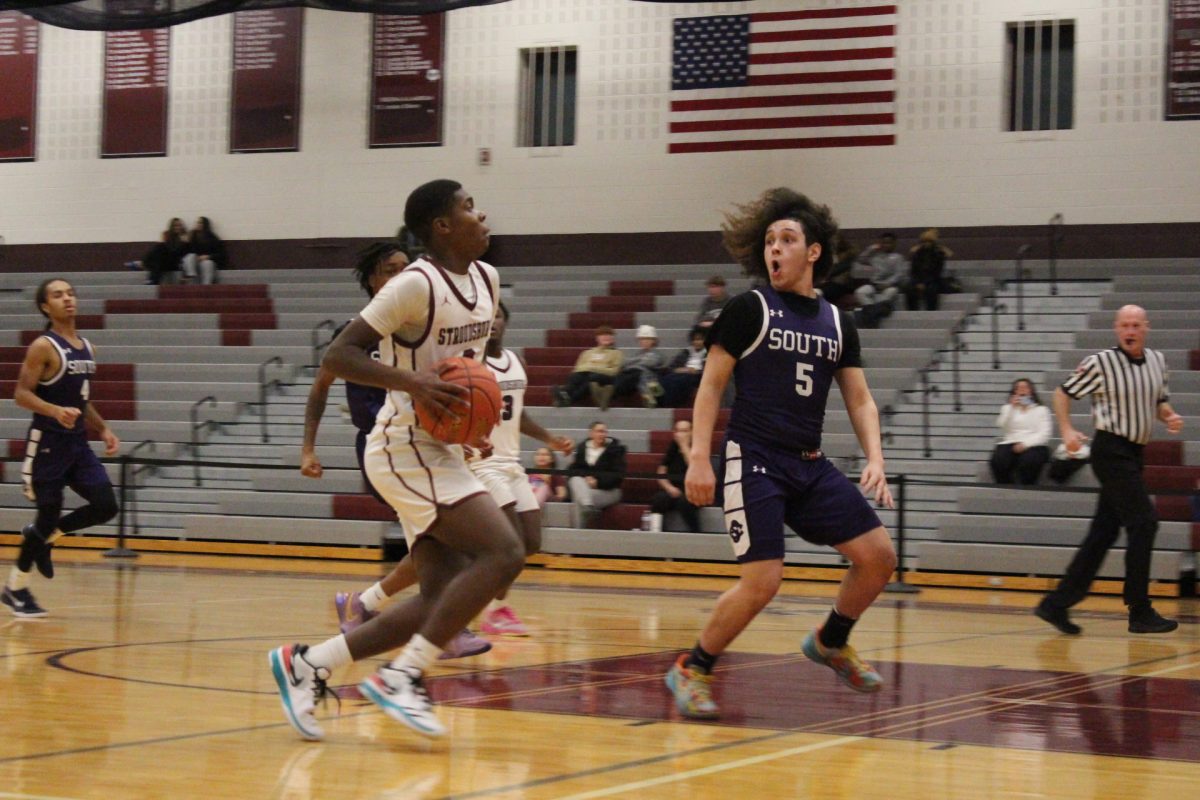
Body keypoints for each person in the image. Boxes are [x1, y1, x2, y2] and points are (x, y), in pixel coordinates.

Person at [268, 179, 526, 741]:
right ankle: (402, 676)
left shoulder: (486, 279)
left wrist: (473, 428)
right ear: (441, 226)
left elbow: (468, 373)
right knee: (504, 550)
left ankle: (308, 662)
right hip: (402, 445)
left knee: (440, 597)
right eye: (467, 208)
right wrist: (412, 383)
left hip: (439, 446)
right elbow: (339, 354)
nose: (481, 215)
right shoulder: (415, 285)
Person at [664, 187, 897, 720]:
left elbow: (859, 399)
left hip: (807, 463)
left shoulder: (839, 322)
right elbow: (709, 387)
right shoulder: (749, 310)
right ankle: (693, 668)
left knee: (879, 557)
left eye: (787, 239)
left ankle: (831, 640)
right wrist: (699, 458)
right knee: (764, 581)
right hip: (754, 459)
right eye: (770, 240)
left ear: (813, 252)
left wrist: (876, 458)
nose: (775, 249)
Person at [299, 239, 490, 660]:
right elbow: (319, 389)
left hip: (427, 443)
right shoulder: (355, 334)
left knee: (437, 546)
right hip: (385, 445)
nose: (401, 274)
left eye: (406, 266)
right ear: (371, 281)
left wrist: (465, 429)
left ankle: (365, 606)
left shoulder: (420, 320)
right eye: (389, 269)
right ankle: (440, 626)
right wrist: (308, 448)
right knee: (449, 542)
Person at [1034, 305, 1184, 636]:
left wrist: (1168, 416)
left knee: (1103, 533)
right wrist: (1067, 430)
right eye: (1124, 325)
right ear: (1117, 329)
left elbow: (1159, 401)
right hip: (1110, 451)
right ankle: (1139, 610)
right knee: (1144, 523)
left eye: (1136, 325)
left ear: (1146, 328)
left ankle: (1055, 604)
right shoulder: (1101, 362)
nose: (1130, 330)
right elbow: (1062, 393)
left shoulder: (1158, 362)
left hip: (1134, 453)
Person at [2, 279, 120, 618]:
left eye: (70, 293)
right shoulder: (43, 346)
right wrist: (54, 411)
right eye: (58, 295)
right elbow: (21, 394)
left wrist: (103, 428)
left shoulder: (87, 347)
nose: (67, 298)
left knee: (106, 505)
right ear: (45, 307)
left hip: (77, 445)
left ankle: (45, 537)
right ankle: (16, 588)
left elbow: (82, 401)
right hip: (48, 447)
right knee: (48, 514)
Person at [466, 300, 574, 635]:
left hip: (512, 463)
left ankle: (491, 604)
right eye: (488, 317)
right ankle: (485, 608)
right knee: (508, 544)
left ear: (506, 323)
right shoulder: (471, 364)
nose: (493, 322)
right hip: (483, 464)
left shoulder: (516, 362)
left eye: (498, 316)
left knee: (530, 542)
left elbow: (518, 414)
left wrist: (549, 439)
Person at [989, 378, 1053, 485]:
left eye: (1025, 387)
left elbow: (1045, 433)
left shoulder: (1041, 410)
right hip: (1011, 442)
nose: (1022, 390)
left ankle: (1027, 487)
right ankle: (1005, 486)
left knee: (1029, 461)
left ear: (1031, 391)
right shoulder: (1007, 408)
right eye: (1018, 388)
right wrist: (1011, 408)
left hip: (1034, 444)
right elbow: (1002, 426)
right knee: (998, 460)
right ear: (1014, 392)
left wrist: (1025, 444)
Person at [566, 421, 626, 528]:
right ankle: (588, 507)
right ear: (591, 433)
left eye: (604, 432)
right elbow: (572, 470)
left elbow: (618, 476)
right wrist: (587, 479)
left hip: (609, 491)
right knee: (575, 480)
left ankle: (578, 536)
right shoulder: (582, 448)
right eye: (599, 431)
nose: (602, 434)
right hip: (586, 490)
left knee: (579, 499)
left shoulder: (616, 450)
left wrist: (598, 482)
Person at [552, 326, 624, 410]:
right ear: (597, 338)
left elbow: (614, 371)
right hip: (585, 374)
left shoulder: (617, 353)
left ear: (613, 338)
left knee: (592, 378)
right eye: (602, 335)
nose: (606, 337)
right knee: (576, 376)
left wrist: (592, 368)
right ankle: (565, 393)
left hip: (604, 377)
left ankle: (567, 397)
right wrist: (590, 369)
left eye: (609, 335)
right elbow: (577, 369)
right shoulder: (587, 353)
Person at [649, 418, 701, 532]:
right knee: (658, 499)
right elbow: (661, 471)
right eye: (678, 431)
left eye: (685, 431)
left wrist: (684, 446)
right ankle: (656, 532)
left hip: (694, 490)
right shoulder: (672, 447)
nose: (681, 434)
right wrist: (669, 487)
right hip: (674, 489)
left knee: (684, 502)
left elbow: (695, 468)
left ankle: (696, 532)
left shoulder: (698, 446)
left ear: (692, 432)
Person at [611, 324, 666, 408]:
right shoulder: (638, 354)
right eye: (641, 339)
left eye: (647, 339)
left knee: (639, 372)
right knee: (630, 373)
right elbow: (625, 364)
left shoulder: (657, 354)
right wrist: (639, 360)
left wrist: (634, 362)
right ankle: (648, 396)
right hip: (640, 380)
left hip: (651, 379)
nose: (644, 341)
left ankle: (650, 396)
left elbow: (649, 363)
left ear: (653, 341)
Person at [853, 231, 906, 309]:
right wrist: (871, 249)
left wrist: (887, 284)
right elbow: (860, 259)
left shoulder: (898, 257)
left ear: (894, 244)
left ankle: (875, 311)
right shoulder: (876, 257)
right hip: (874, 285)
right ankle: (872, 310)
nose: (886, 245)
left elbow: (899, 274)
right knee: (860, 292)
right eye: (884, 243)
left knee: (889, 294)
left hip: (890, 286)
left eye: (889, 243)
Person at [659, 327, 707, 408]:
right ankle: (658, 399)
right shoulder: (685, 352)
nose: (697, 342)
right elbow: (672, 367)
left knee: (680, 380)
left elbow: (708, 371)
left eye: (700, 339)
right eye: (695, 340)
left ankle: (668, 405)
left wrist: (695, 371)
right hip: (682, 373)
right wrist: (682, 370)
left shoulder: (708, 353)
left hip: (697, 377)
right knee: (667, 378)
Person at [906, 228, 952, 310]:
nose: (927, 243)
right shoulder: (917, 254)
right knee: (909, 288)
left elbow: (937, 272)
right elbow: (913, 271)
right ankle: (912, 311)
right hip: (918, 279)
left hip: (933, 280)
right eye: (924, 241)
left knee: (931, 289)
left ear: (933, 242)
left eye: (929, 241)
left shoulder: (938, 254)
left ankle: (931, 311)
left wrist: (924, 283)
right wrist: (918, 282)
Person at [142, 217, 189, 285]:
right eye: (175, 225)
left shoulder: (185, 236)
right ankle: (153, 281)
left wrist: (184, 243)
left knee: (159, 249)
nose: (177, 227)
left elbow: (183, 255)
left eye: (179, 225)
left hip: (176, 263)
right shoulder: (167, 235)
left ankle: (144, 263)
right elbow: (162, 251)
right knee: (158, 258)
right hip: (165, 261)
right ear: (171, 226)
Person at [181, 216, 227, 285]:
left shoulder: (212, 238)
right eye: (197, 222)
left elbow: (221, 254)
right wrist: (186, 242)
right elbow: (185, 253)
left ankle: (206, 286)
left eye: (200, 223)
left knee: (207, 263)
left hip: (206, 261)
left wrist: (208, 256)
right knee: (191, 256)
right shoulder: (192, 236)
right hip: (193, 262)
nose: (198, 224)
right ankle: (191, 276)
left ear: (205, 225)